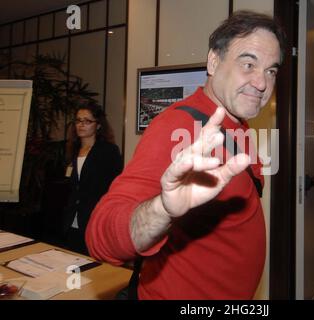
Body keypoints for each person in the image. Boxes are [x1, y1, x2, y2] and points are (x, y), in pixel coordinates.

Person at [85, 11, 286, 299]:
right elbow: (100, 235)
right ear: (214, 62)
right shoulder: (176, 126)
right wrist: (162, 209)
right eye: (248, 64)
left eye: (271, 70)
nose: (262, 83)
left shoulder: (236, 120)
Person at [62, 103, 123, 255]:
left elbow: (115, 188)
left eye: (87, 121)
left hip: (95, 221)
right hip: (72, 221)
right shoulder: (72, 149)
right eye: (78, 120)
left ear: (98, 126)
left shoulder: (108, 151)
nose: (81, 125)